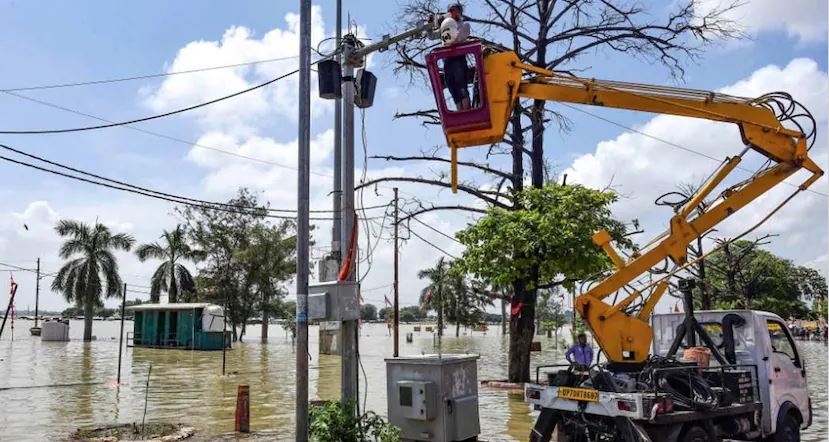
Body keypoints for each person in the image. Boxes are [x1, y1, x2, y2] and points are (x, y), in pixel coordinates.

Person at [438, 3, 472, 111]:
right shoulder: (445, 27)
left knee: (461, 86)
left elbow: (457, 39)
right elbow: (431, 36)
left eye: (453, 10)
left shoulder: (464, 25)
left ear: (459, 12)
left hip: (458, 58)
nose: (451, 13)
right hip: (447, 60)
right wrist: (434, 24)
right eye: (449, 11)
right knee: (452, 88)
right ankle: (460, 112)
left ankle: (466, 111)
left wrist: (450, 27)